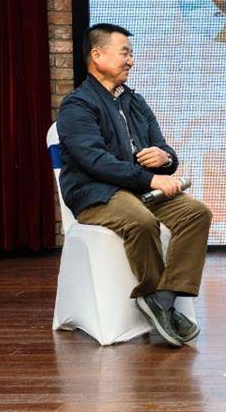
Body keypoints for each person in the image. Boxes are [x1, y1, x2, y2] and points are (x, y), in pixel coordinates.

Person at [55, 23, 213, 347]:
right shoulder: (76, 105)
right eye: (124, 53)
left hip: (138, 190)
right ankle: (154, 295)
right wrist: (151, 178)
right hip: (95, 192)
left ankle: (163, 299)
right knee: (141, 221)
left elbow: (165, 151)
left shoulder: (135, 101)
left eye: (131, 54)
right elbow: (95, 161)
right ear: (97, 55)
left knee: (197, 213)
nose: (131, 61)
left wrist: (164, 158)